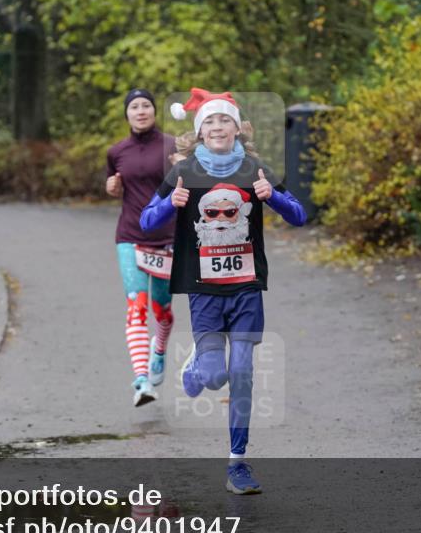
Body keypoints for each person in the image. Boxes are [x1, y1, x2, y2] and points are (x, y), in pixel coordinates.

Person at [140, 89, 307, 494]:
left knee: (243, 373)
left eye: (224, 121)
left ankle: (238, 463)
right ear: (200, 133)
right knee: (215, 376)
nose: (217, 127)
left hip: (247, 286)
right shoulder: (185, 172)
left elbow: (300, 215)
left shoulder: (254, 168)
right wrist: (170, 205)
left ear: (237, 128)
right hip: (204, 290)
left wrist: (275, 198)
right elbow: (147, 221)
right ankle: (196, 368)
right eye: (209, 122)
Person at [106, 89, 179, 407]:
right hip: (130, 235)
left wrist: (183, 168)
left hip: (167, 237)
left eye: (146, 105)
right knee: (136, 306)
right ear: (127, 114)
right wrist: (111, 187)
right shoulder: (116, 151)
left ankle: (159, 347)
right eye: (134, 107)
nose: (140, 111)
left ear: (154, 111)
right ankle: (141, 381)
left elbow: (191, 184)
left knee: (162, 310)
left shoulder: (173, 146)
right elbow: (114, 185)